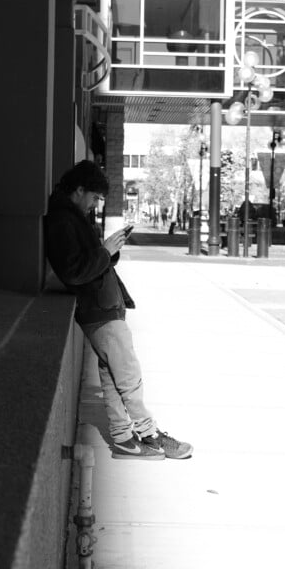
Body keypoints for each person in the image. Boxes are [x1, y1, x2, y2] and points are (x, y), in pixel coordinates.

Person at [44, 160, 192, 460]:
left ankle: (125, 439)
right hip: (98, 309)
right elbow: (74, 271)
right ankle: (150, 434)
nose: (97, 203)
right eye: (95, 197)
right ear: (79, 190)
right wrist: (105, 251)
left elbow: (88, 263)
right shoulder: (62, 220)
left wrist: (108, 252)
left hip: (102, 305)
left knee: (113, 374)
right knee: (127, 374)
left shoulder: (72, 216)